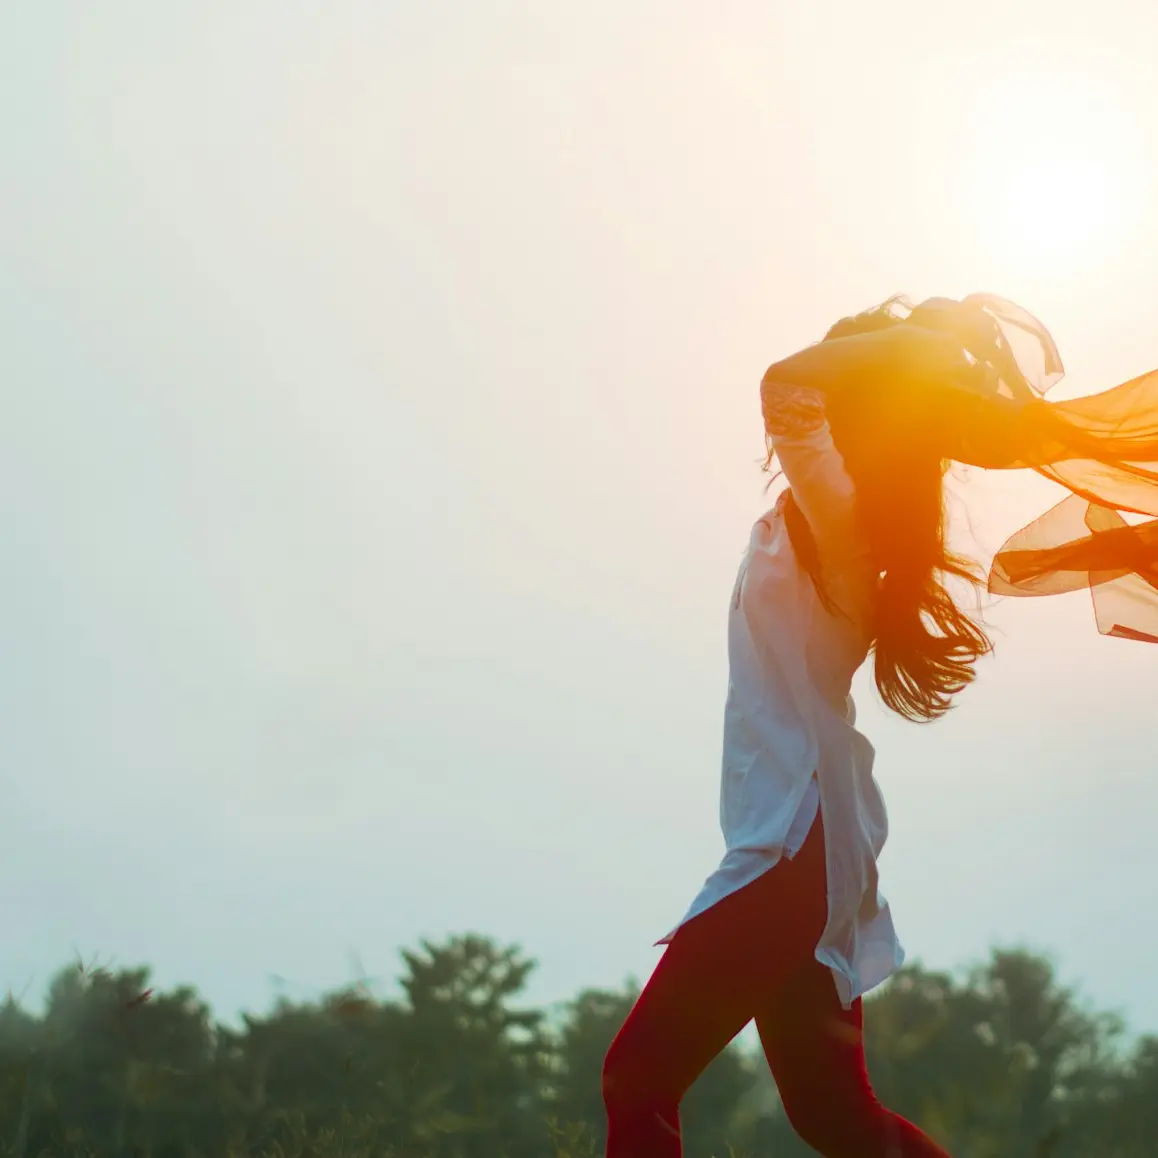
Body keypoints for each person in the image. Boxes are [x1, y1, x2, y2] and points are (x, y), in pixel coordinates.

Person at [600, 294, 1158, 1157]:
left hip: (793, 846)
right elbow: (804, 389)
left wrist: (916, 345)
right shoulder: (841, 519)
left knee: (639, 1078)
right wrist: (911, 350)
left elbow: (786, 385)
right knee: (837, 1119)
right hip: (808, 846)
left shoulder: (840, 515)